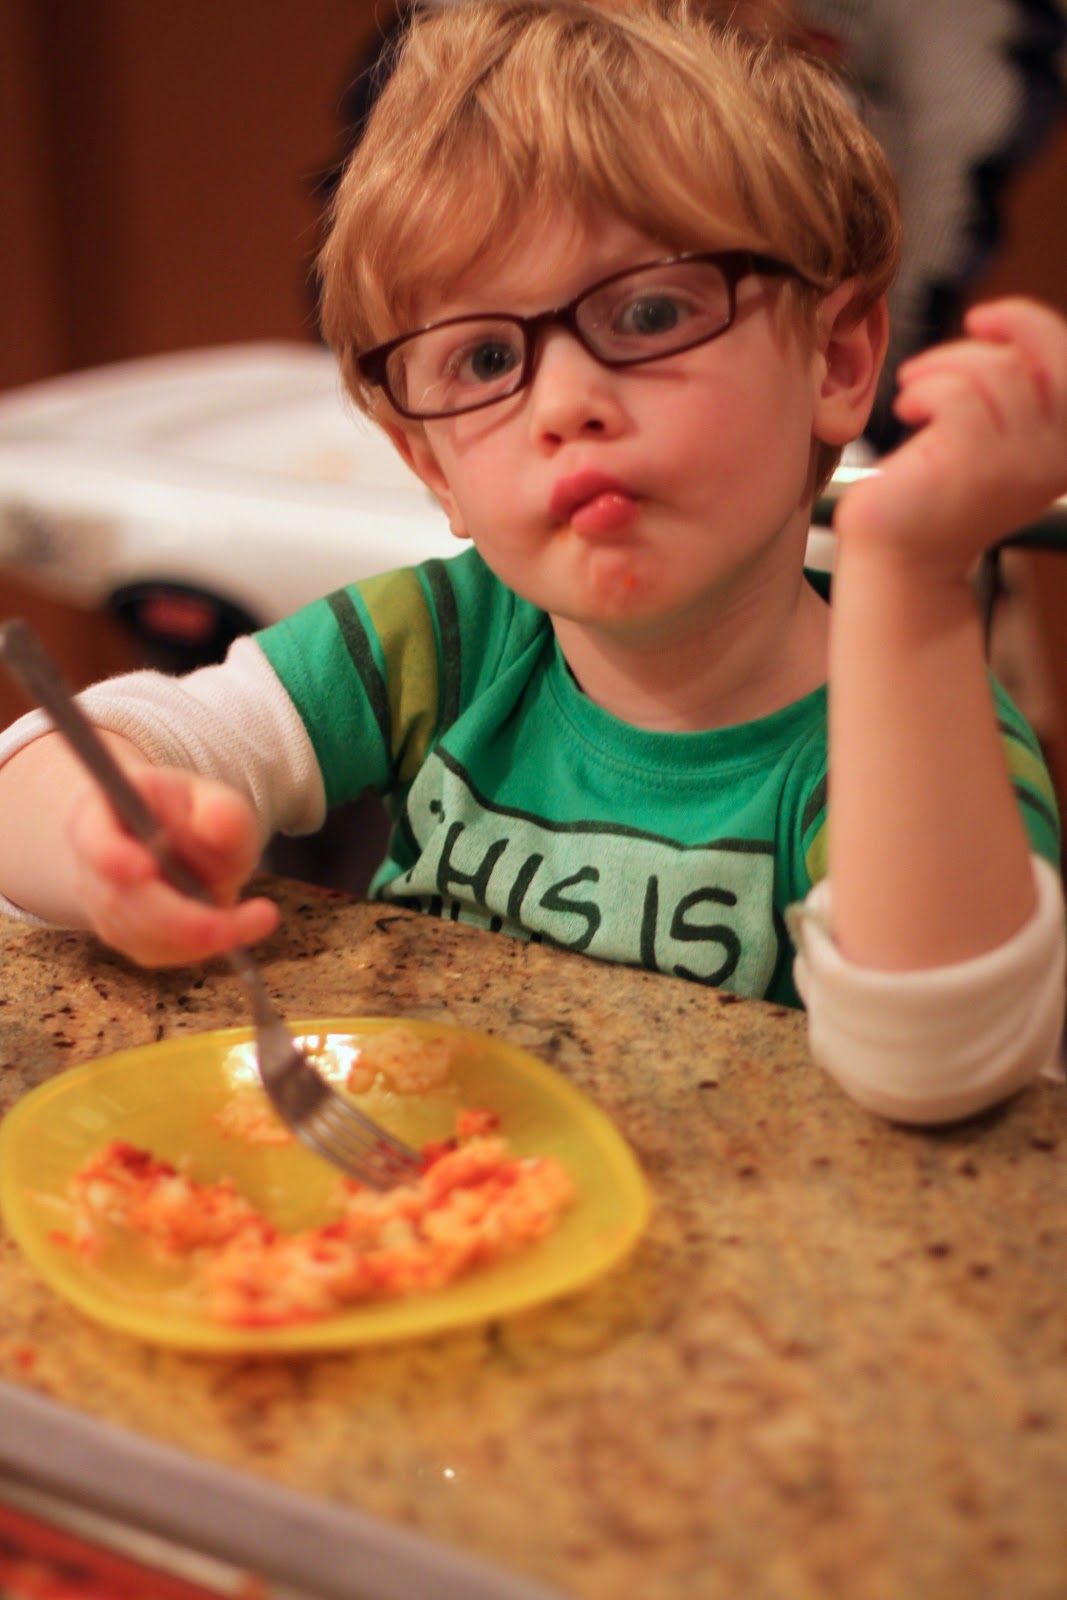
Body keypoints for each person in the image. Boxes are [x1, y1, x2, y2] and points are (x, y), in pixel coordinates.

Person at [0, 0, 1064, 1126]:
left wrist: (908, 575)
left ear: (837, 358)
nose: (564, 403)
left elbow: (938, 1070)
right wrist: (102, 840)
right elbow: (69, 769)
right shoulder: (448, 637)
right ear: (431, 465)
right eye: (485, 357)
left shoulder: (914, 732)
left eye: (650, 310)